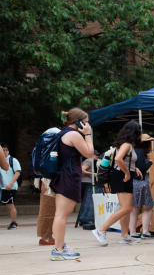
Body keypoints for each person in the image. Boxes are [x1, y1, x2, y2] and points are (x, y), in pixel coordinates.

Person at [51, 109, 94, 260]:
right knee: (62, 215)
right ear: (78, 121)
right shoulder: (74, 135)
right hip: (68, 177)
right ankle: (58, 249)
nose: (88, 124)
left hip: (63, 176)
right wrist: (87, 134)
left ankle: (60, 246)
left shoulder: (63, 133)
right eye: (86, 121)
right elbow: (89, 153)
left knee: (60, 215)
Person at [91, 121, 143, 246]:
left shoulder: (126, 144)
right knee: (126, 208)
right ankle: (101, 230)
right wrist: (127, 172)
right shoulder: (126, 144)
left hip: (123, 175)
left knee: (126, 209)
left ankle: (125, 236)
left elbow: (125, 160)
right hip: (122, 176)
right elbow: (118, 159)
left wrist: (133, 168)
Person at [131, 134, 154, 240]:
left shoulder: (134, 151)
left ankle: (133, 232)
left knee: (134, 208)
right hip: (141, 183)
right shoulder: (140, 152)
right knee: (148, 207)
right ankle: (145, 231)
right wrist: (150, 162)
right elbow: (142, 168)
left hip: (134, 182)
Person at [0, 143, 21, 229]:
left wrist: (11, 184)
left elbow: (17, 173)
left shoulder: (13, 160)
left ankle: (14, 223)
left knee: (10, 205)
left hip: (10, 187)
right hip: (1, 187)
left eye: (6, 150)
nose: (5, 152)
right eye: (3, 150)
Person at [36, 176, 56, 246]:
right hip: (47, 181)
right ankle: (45, 237)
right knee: (47, 209)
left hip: (49, 180)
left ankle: (48, 236)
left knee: (51, 210)